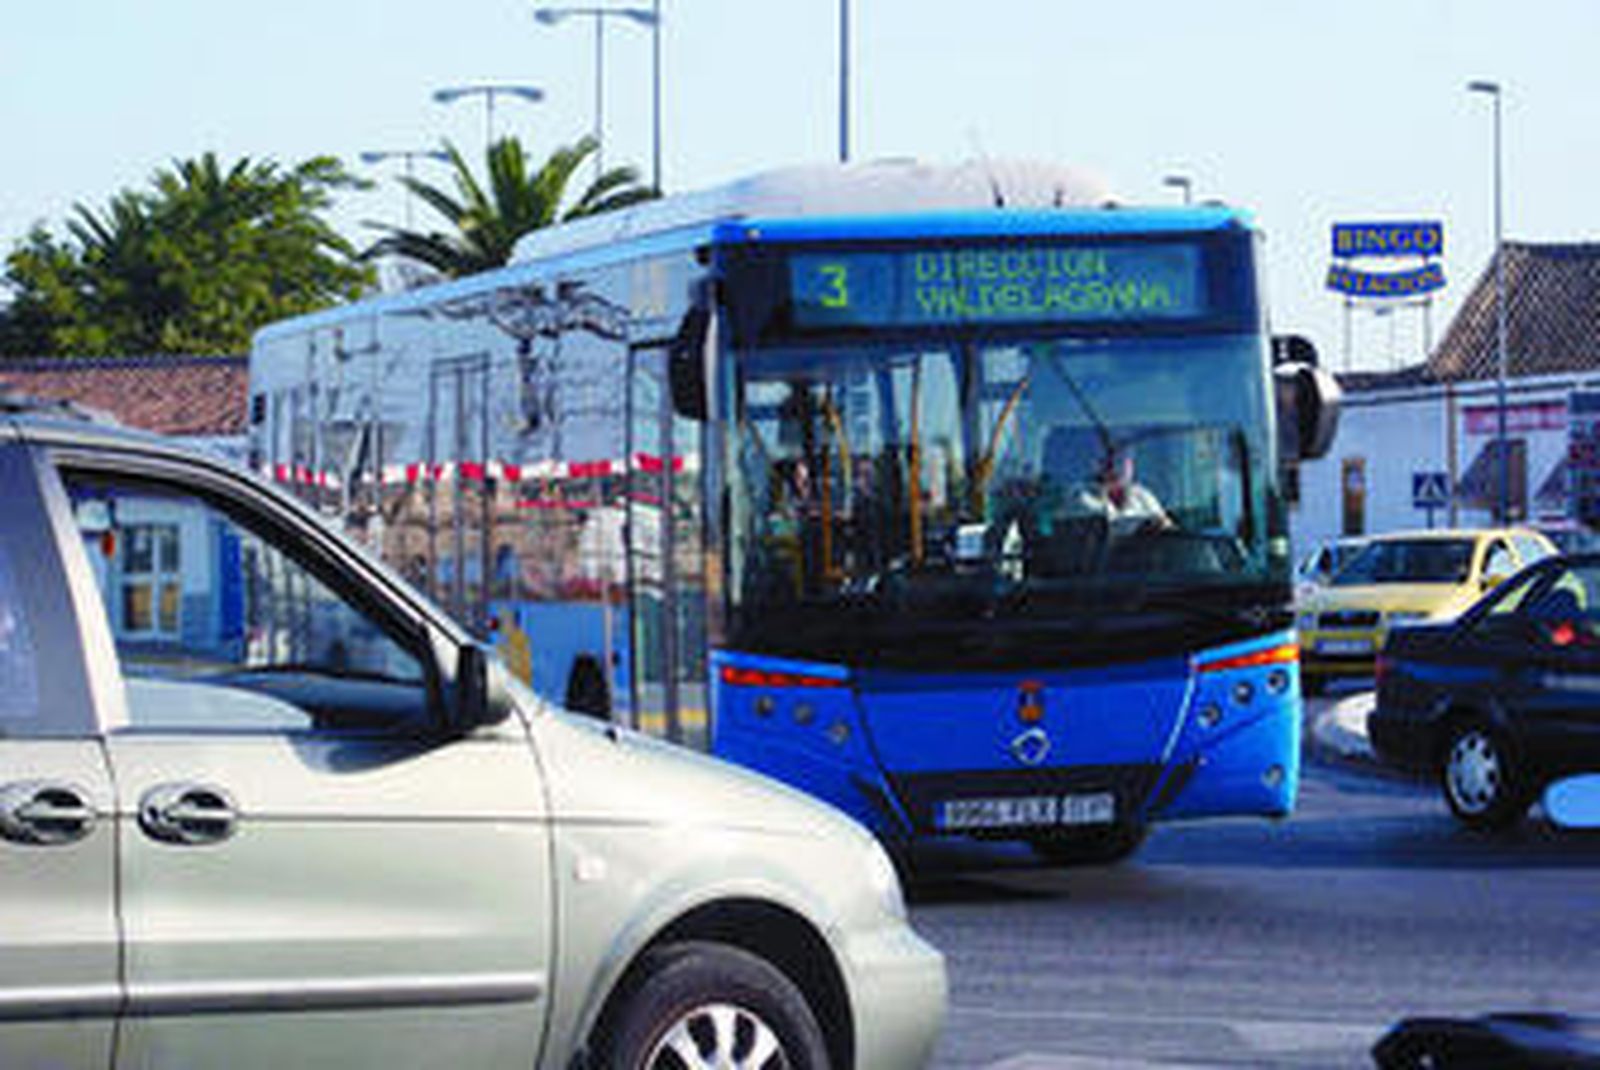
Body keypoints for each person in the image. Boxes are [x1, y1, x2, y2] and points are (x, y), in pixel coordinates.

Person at [1076, 450, 1172, 537]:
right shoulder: (1089, 499)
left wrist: (1157, 525)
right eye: (1109, 470)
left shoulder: (1141, 495)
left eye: (1124, 469)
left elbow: (1165, 523)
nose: (1117, 479)